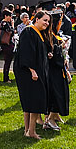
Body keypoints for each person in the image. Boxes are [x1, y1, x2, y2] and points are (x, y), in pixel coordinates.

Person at [15, 11, 50, 140]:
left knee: (30, 101)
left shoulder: (38, 33)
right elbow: (25, 53)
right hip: (29, 72)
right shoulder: (29, 31)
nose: (47, 23)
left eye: (48, 21)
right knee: (34, 100)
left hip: (35, 71)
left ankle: (28, 130)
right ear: (36, 19)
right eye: (45, 20)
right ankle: (31, 131)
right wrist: (32, 70)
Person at [43, 11, 70, 130]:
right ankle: (50, 119)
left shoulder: (52, 34)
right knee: (57, 93)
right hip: (53, 70)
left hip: (55, 69)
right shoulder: (49, 35)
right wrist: (60, 47)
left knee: (58, 92)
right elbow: (52, 53)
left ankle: (55, 115)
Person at [0, 11, 16, 83]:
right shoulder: (5, 24)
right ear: (6, 16)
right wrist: (13, 25)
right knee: (7, 61)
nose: (11, 18)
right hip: (7, 45)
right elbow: (11, 32)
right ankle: (6, 78)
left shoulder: (2, 23)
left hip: (5, 44)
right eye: (10, 16)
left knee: (7, 61)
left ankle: (6, 77)